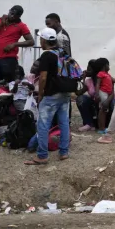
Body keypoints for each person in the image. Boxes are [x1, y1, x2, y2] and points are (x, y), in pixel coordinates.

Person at [25, 28, 71, 165]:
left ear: (44, 40)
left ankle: (42, 155)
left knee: (43, 124)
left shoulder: (46, 55)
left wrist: (40, 94)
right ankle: (64, 152)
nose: (40, 41)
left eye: (41, 39)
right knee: (64, 122)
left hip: (51, 94)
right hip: (65, 92)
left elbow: (43, 77)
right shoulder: (63, 52)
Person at [0, 5, 34, 90]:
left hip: (9, 60)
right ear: (9, 11)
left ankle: (8, 102)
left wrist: (14, 44)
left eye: (15, 15)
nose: (12, 16)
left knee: (9, 85)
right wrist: (0, 25)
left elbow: (31, 41)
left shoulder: (21, 26)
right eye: (11, 13)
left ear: (19, 16)